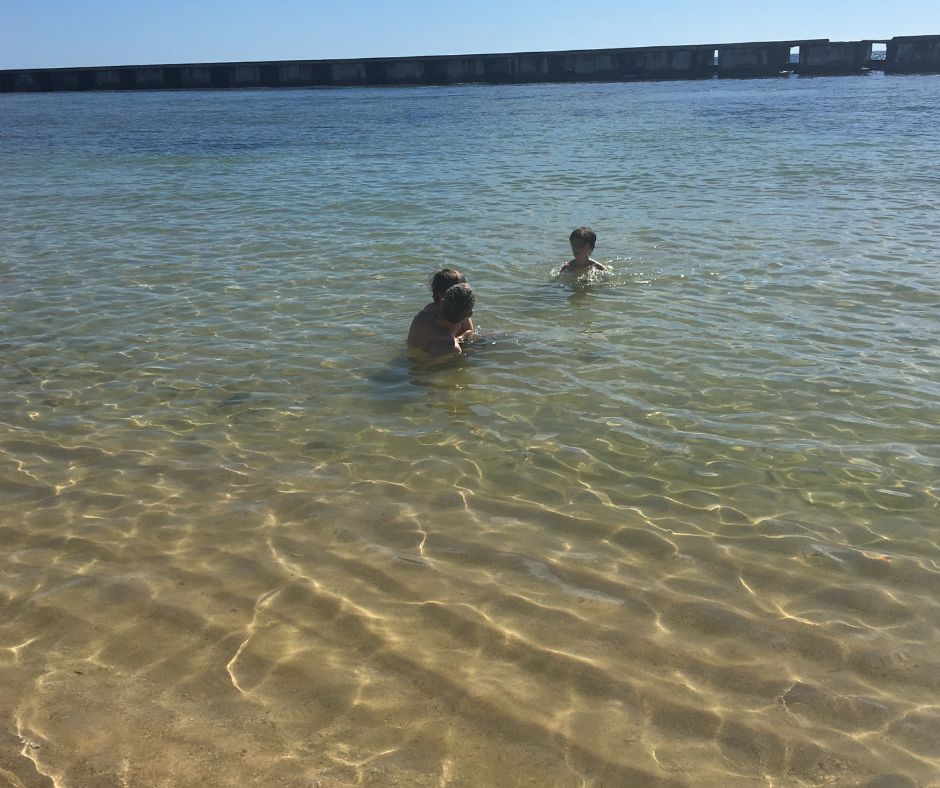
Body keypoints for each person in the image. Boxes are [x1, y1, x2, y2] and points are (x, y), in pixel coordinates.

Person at [407, 283, 476, 363]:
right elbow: (419, 369)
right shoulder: (452, 348)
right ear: (469, 314)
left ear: (442, 302)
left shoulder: (420, 318)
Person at [427, 268, 474, 341]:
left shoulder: (461, 309)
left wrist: (460, 338)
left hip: (460, 342)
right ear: (439, 293)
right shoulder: (431, 310)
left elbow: (469, 330)